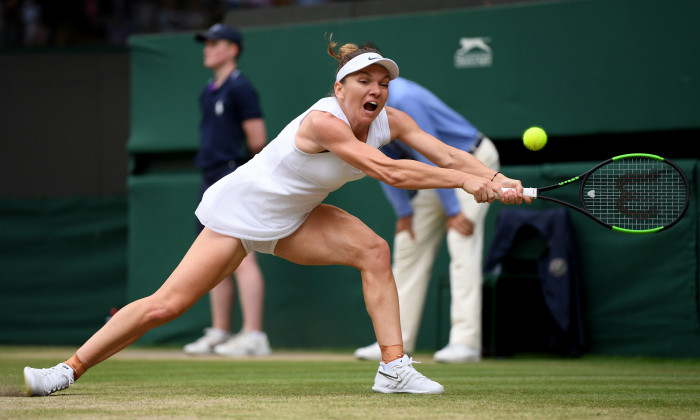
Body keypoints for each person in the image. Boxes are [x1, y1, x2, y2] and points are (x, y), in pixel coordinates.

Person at [22, 38, 529, 397]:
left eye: (384, 82)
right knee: (166, 305)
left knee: (374, 251)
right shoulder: (323, 121)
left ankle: (393, 368)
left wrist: (494, 179)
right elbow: (391, 173)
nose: (377, 89)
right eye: (365, 80)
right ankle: (65, 371)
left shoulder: (391, 120)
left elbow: (444, 153)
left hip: (298, 216)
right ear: (341, 87)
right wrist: (467, 183)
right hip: (244, 210)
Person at [354, 75, 499, 363]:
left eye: (378, 81)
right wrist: (404, 213)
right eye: (361, 79)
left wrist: (454, 210)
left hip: (474, 162)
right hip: (437, 177)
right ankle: (396, 342)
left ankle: (465, 342)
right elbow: (381, 160)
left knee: (462, 243)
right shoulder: (365, 109)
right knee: (408, 247)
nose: (371, 88)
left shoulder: (405, 100)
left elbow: (433, 154)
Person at [183, 23, 271, 357]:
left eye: (214, 42)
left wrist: (245, 179)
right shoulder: (208, 91)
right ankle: (220, 331)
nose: (207, 48)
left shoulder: (241, 88)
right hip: (209, 178)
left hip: (232, 175)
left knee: (242, 255)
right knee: (213, 257)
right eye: (206, 42)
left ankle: (254, 335)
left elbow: (258, 140)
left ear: (232, 49)